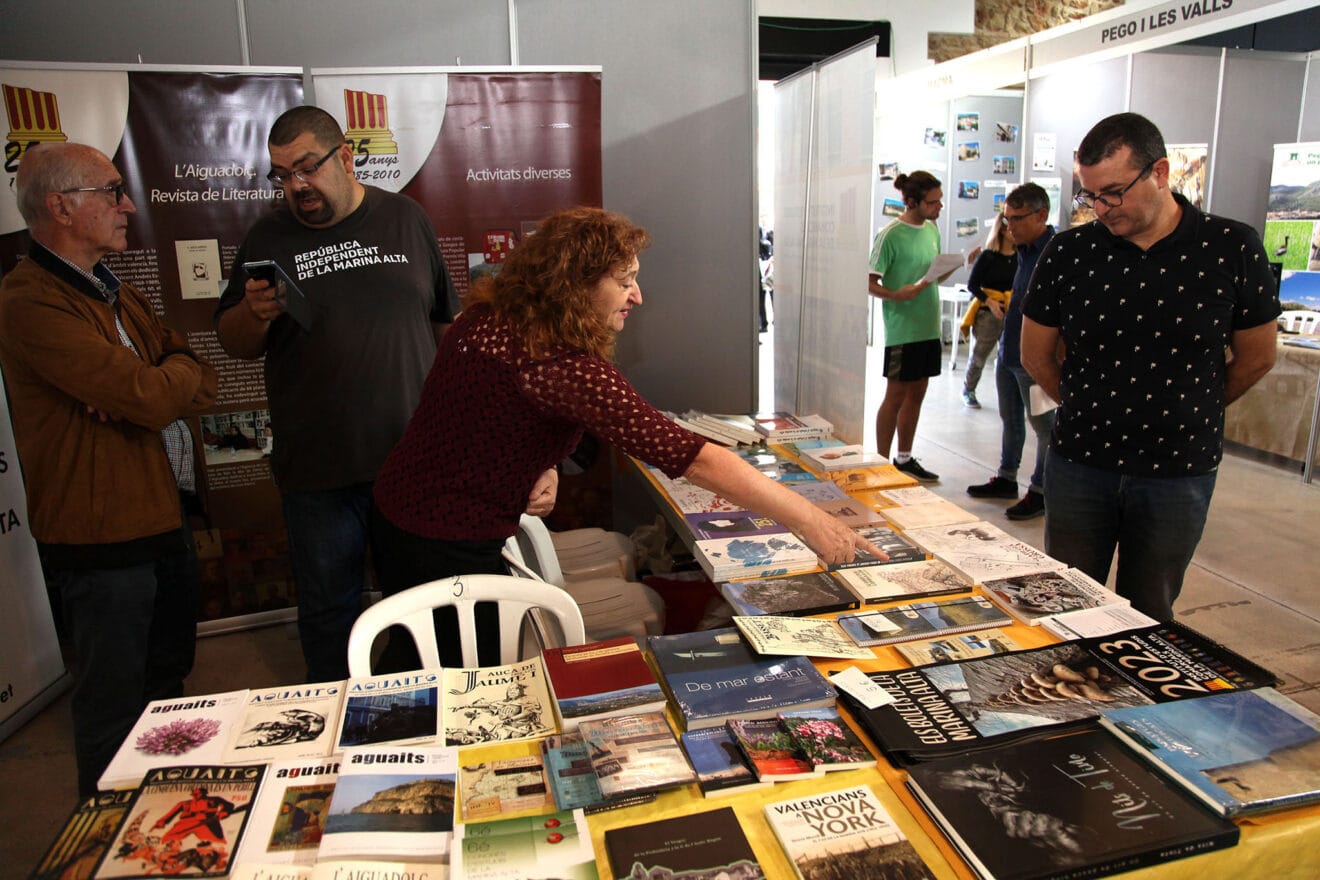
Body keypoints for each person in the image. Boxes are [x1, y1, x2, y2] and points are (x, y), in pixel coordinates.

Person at [371, 207, 882, 669]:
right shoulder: (557, 362)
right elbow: (692, 458)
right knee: (453, 682)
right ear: (576, 285)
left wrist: (541, 463)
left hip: (405, 512)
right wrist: (812, 521)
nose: (638, 295)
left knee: (426, 659)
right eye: (625, 282)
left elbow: (492, 416)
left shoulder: (493, 318)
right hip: (442, 538)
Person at [215, 106, 463, 682]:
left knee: (420, 606)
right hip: (317, 469)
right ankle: (335, 730)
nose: (295, 186)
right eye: (282, 174)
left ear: (346, 156)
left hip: (410, 461)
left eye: (306, 168)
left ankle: (424, 715)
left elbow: (446, 326)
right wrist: (253, 314)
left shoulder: (406, 219)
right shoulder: (267, 235)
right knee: (329, 612)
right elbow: (234, 341)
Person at [0, 142, 216, 794]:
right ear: (61, 206)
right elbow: (150, 397)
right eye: (112, 191)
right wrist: (150, 386)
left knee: (168, 685)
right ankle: (104, 841)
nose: (127, 206)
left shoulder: (114, 290)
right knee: (111, 709)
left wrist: (149, 385)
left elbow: (196, 379)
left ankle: (160, 819)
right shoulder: (29, 300)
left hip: (159, 516)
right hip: (98, 541)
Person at [1020, 113, 1279, 620]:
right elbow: (1036, 354)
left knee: (1150, 612)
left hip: (1177, 468)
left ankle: (1137, 703)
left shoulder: (1230, 246)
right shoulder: (1071, 252)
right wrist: (1085, 406)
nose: (1101, 208)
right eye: (1089, 195)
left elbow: (1258, 356)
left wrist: (1193, 405)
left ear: (1161, 172)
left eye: (1113, 192)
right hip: (1081, 462)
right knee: (1066, 606)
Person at [867, 171, 967, 481]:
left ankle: (904, 458)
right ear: (913, 202)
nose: (939, 207)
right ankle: (881, 463)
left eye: (940, 201)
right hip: (903, 330)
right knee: (895, 394)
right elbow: (869, 282)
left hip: (928, 327)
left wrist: (952, 265)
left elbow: (933, 275)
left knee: (918, 392)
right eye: (933, 202)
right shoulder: (890, 235)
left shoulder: (932, 230)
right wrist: (896, 294)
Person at [967, 183, 1056, 521]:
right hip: (1009, 353)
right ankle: (1006, 478)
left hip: (1035, 361)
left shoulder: (1054, 251)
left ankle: (1041, 490)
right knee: (1010, 419)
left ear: (1041, 215)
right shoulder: (1023, 249)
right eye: (1006, 219)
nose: (1010, 227)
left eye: (1017, 219)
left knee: (1045, 427)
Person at [960, 212, 1015, 408]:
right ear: (1002, 229)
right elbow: (972, 285)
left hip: (1011, 311)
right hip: (988, 313)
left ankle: (1010, 397)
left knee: (1009, 356)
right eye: (1011, 225)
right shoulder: (988, 256)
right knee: (979, 355)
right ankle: (969, 388)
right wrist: (990, 302)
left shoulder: (1020, 256)